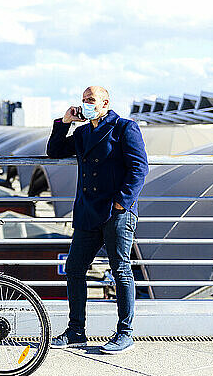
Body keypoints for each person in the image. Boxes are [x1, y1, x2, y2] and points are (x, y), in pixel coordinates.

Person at [46, 86, 148, 354]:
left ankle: (125, 333)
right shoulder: (82, 132)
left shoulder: (125, 127)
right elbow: (54, 151)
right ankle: (75, 331)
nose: (86, 104)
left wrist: (121, 202)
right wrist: (65, 121)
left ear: (105, 103)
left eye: (91, 100)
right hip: (87, 211)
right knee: (75, 268)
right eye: (83, 100)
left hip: (116, 213)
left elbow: (139, 167)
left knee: (121, 270)